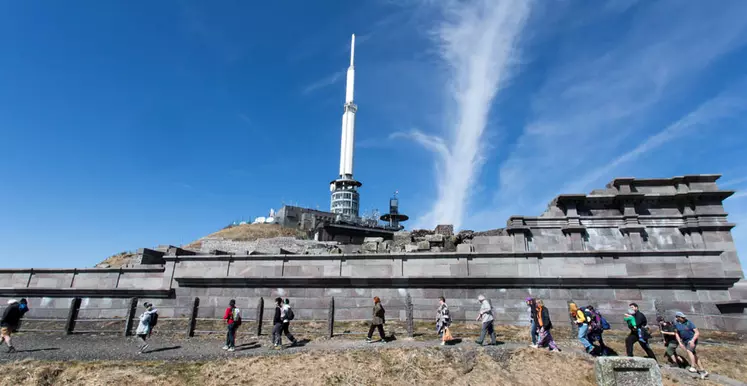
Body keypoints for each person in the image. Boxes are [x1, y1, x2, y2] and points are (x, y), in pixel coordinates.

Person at [674, 312, 708, 378]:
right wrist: (680, 343)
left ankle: (693, 367)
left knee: (689, 351)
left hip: (692, 340)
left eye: (684, 317)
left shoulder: (689, 323)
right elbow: (676, 334)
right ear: (678, 317)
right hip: (685, 341)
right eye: (682, 317)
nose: (684, 318)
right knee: (693, 355)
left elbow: (697, 332)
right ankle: (703, 371)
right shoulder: (676, 324)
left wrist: (692, 341)